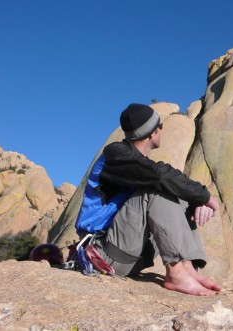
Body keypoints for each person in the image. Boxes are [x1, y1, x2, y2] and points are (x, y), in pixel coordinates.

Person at [76, 103, 221, 296]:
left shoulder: (136, 163)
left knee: (178, 194)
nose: (161, 130)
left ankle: (188, 268)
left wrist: (196, 201)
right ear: (153, 133)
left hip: (130, 257)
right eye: (160, 126)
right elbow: (160, 176)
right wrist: (205, 196)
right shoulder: (115, 155)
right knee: (155, 188)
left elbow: (163, 176)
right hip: (104, 253)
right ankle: (176, 273)